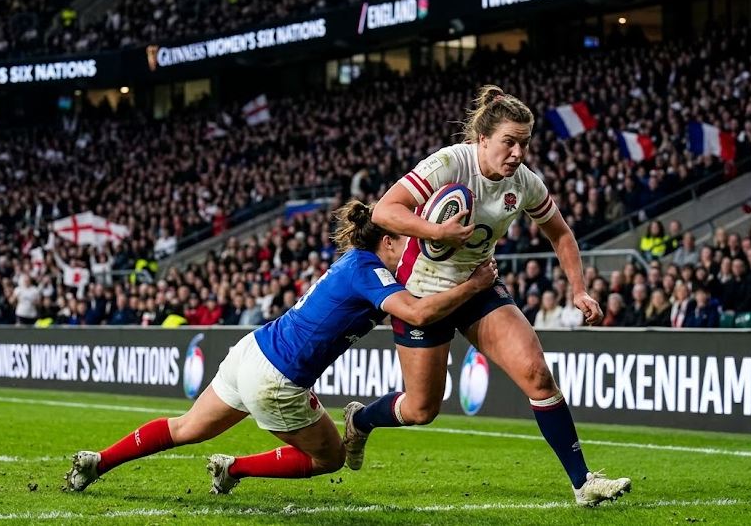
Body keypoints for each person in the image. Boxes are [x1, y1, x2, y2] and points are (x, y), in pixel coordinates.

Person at [64, 200, 499, 494]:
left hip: (252, 352)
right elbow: (419, 314)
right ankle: (234, 468)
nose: (415, 248)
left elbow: (411, 300)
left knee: (186, 428)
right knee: (329, 458)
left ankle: (97, 461)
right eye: (407, 240)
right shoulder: (370, 271)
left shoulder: (353, 263)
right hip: (277, 378)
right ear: (386, 241)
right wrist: (476, 284)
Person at [349, 85, 630, 507]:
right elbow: (385, 212)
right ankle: (361, 420)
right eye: (509, 142)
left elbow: (561, 233)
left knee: (537, 373)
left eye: (525, 143)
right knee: (422, 409)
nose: (517, 152)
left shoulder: (525, 183)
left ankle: (583, 483)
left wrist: (578, 289)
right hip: (423, 295)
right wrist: (438, 232)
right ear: (482, 140)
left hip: (480, 286)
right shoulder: (449, 163)